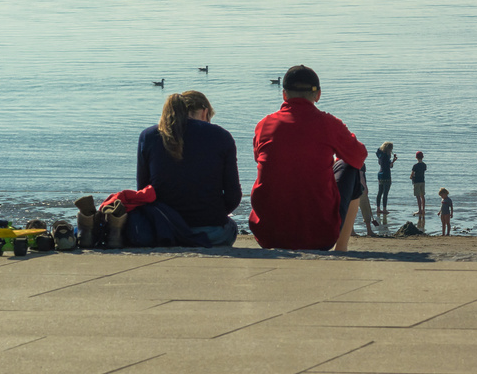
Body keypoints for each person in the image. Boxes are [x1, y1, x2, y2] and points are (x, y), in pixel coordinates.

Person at [249, 64, 369, 252]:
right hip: (320, 237)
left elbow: (261, 159)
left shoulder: (264, 125)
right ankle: (341, 249)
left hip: (267, 235)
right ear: (318, 95)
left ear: (284, 94)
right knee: (352, 167)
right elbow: (359, 155)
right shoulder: (328, 124)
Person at [137, 90, 242, 247]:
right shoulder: (221, 136)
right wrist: (216, 213)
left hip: (163, 229)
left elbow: (143, 190)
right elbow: (233, 195)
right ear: (205, 112)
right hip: (210, 231)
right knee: (231, 227)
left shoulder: (149, 136)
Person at [375, 142, 397, 223]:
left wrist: (392, 161)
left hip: (380, 174)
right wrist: (392, 161)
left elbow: (386, 165)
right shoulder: (386, 156)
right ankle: (384, 209)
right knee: (385, 193)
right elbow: (388, 166)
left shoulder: (380, 155)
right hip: (386, 175)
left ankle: (378, 208)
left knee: (380, 192)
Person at [410, 151, 427, 221]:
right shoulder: (424, 165)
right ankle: (423, 209)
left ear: (416, 157)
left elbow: (412, 173)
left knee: (418, 196)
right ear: (422, 157)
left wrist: (411, 177)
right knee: (422, 196)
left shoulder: (415, 166)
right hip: (422, 181)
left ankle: (420, 210)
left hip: (416, 181)